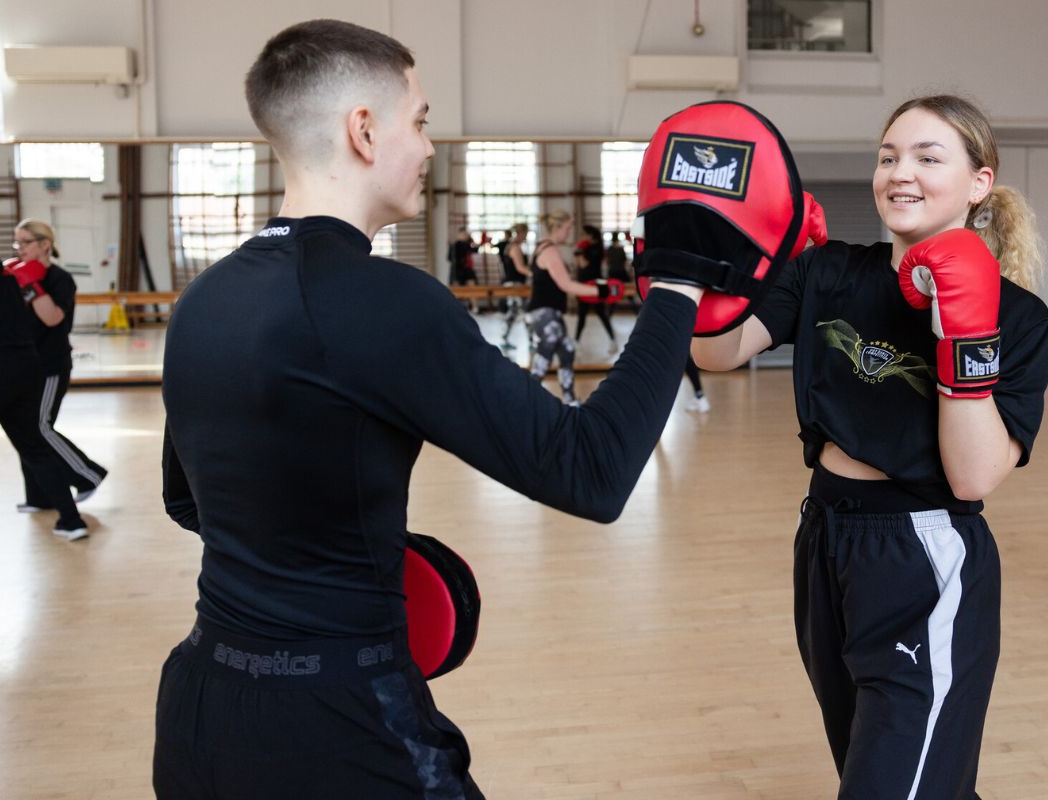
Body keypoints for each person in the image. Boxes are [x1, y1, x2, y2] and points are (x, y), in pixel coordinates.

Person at [155, 19, 702, 799]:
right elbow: (593, 470)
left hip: (200, 709)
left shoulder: (204, 298)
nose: (428, 146)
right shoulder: (386, 300)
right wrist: (678, 283)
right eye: (420, 120)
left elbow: (189, 500)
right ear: (364, 130)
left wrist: (339, 544)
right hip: (336, 724)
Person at [692, 94, 1048, 798]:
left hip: (925, 555)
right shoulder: (826, 272)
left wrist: (964, 333)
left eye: (927, 156)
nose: (900, 172)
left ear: (979, 184)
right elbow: (720, 353)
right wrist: (720, 266)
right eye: (889, 156)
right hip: (825, 541)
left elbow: (973, 474)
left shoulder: (1019, 318)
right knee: (907, 772)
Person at [9, 219, 108, 515]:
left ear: (45, 245)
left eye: (25, 242)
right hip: (24, 365)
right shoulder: (15, 274)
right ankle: (39, 496)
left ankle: (89, 475)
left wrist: (31, 285)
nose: (19, 248)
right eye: (17, 242)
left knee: (39, 427)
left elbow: (51, 318)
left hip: (50, 366)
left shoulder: (60, 279)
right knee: (25, 430)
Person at [0, 251, 89, 540]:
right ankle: (72, 521)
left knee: (34, 445)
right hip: (26, 369)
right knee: (34, 447)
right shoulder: (14, 280)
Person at [525, 209, 614, 405]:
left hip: (548, 313)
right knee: (544, 359)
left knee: (567, 351)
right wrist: (599, 291)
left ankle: (570, 400)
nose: (570, 232)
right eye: (568, 228)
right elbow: (566, 284)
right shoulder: (550, 251)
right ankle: (522, 402)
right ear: (556, 227)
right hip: (545, 314)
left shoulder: (541, 247)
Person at [572, 236, 618, 352]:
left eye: (579, 254)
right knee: (582, 318)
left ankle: (613, 340)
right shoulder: (579, 265)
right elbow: (577, 279)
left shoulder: (594, 264)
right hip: (583, 294)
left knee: (602, 316)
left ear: (583, 253)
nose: (577, 258)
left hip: (595, 294)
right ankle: (576, 341)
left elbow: (600, 279)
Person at [498, 222, 530, 349]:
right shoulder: (515, 248)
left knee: (514, 311)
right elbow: (520, 268)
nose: (526, 237)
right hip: (514, 284)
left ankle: (505, 338)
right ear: (521, 233)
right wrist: (535, 273)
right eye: (526, 234)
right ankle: (532, 340)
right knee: (525, 311)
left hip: (514, 283)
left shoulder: (512, 246)